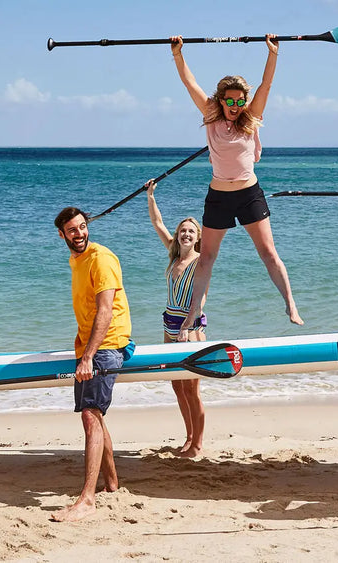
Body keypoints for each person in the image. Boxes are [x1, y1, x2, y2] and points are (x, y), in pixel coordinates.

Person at [169, 33, 303, 340]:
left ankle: (290, 304)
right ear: (220, 100)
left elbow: (266, 86)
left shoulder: (251, 118)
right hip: (218, 197)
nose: (235, 105)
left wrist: (272, 54)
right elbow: (190, 84)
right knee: (206, 259)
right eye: (229, 100)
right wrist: (178, 55)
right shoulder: (210, 115)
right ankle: (192, 313)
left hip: (248, 195)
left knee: (269, 253)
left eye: (240, 101)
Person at [51, 207, 132, 522]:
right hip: (89, 346)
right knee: (94, 415)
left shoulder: (101, 258)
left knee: (89, 415)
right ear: (62, 235)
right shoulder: (76, 260)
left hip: (106, 346)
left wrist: (88, 356)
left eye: (82, 227)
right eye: (72, 230)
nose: (79, 233)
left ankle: (86, 499)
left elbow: (105, 310)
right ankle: (111, 483)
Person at [146, 179, 207, 457]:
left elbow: (199, 301)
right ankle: (188, 437)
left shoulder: (200, 262)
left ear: (198, 237)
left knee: (192, 389)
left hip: (190, 329)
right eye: (182, 230)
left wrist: (185, 328)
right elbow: (158, 223)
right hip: (168, 326)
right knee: (176, 385)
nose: (185, 234)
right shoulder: (173, 256)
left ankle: (197, 445)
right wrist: (151, 196)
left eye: (191, 231)